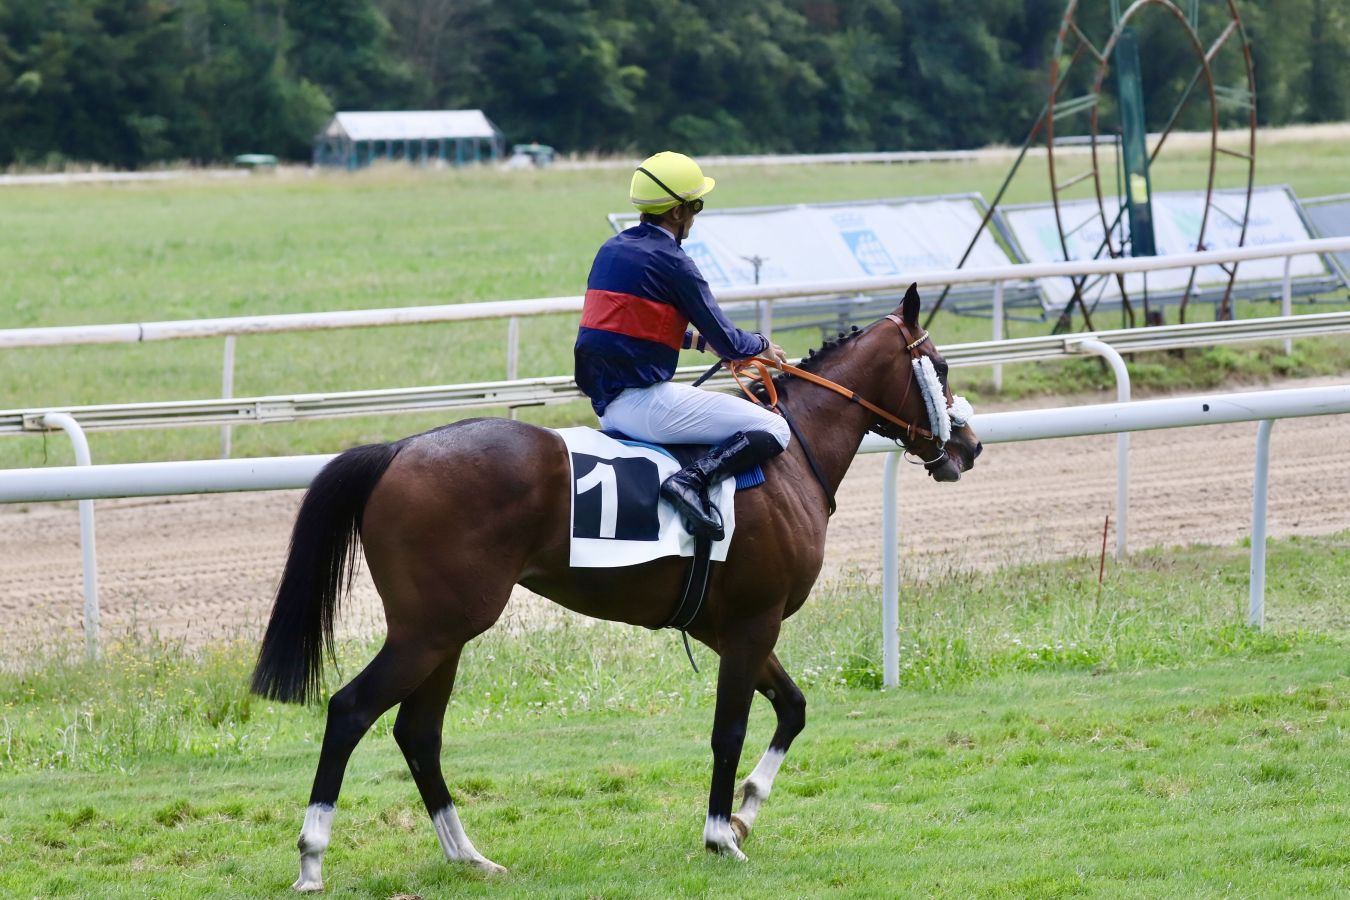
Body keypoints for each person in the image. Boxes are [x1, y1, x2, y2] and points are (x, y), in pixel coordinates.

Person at [574, 151, 791, 540]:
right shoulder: (675, 262)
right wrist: (761, 346)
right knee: (774, 428)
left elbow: (632, 326)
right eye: (696, 205)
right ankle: (690, 482)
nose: (695, 216)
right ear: (676, 213)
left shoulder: (612, 249)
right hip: (646, 407)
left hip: (607, 408)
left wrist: (697, 342)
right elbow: (729, 339)